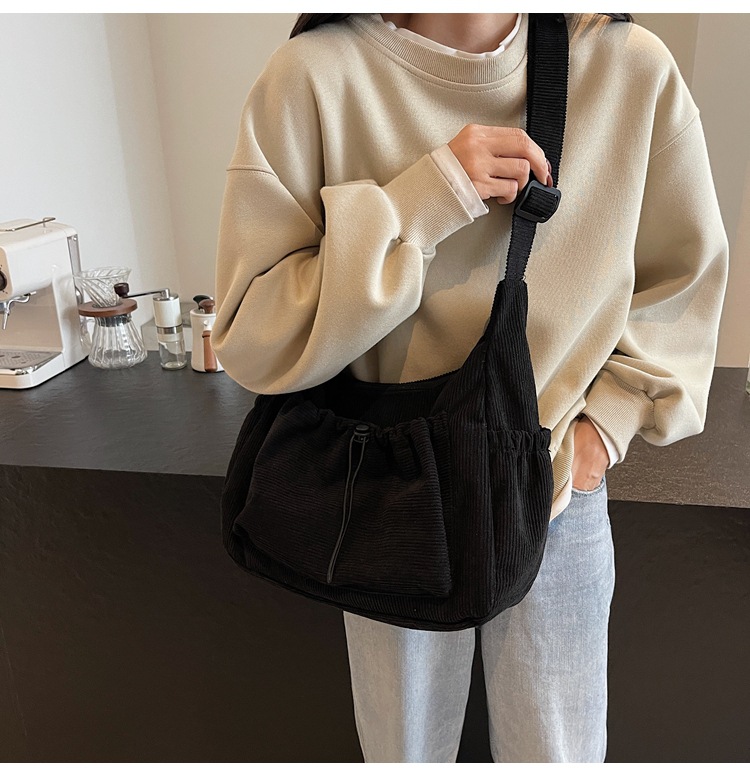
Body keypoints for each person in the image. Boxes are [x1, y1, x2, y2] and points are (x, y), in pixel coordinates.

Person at [211, 12, 730, 763]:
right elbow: (253, 334)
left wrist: (602, 434)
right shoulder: (312, 77)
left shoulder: (628, 67)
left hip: (554, 484)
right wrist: (426, 198)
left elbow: (683, 282)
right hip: (391, 484)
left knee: (556, 756)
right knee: (404, 754)